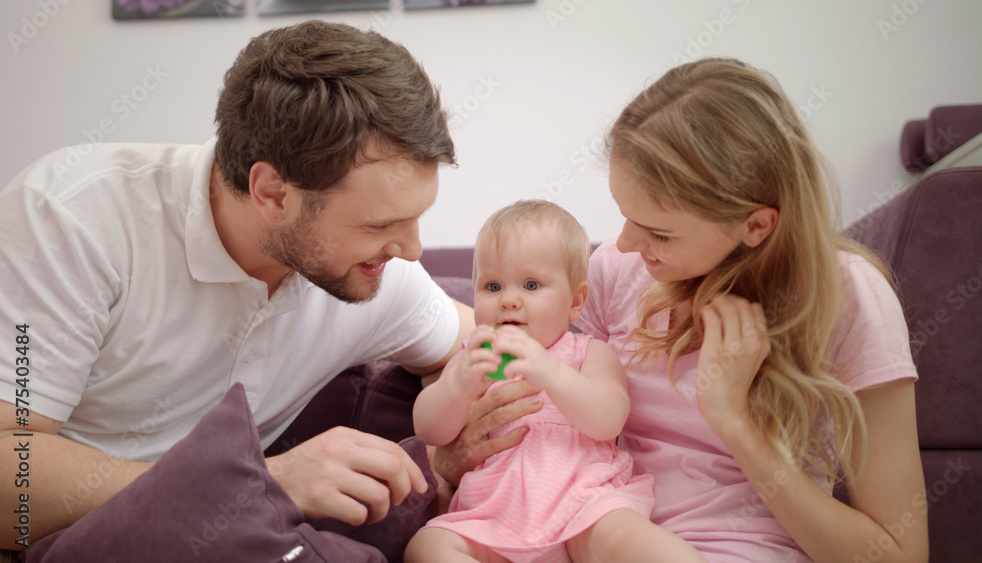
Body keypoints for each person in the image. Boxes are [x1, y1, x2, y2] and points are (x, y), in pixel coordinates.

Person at [0, 20, 477, 554]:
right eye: (378, 225)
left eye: (415, 219)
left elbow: (491, 347)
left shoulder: (373, 275)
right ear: (272, 193)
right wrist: (256, 484)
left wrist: (474, 411)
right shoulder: (69, 221)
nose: (411, 250)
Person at [434, 58, 928, 562]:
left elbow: (898, 556)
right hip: (584, 537)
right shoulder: (614, 271)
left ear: (756, 225)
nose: (625, 243)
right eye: (625, 216)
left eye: (659, 233)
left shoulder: (847, 297)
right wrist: (452, 454)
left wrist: (734, 420)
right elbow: (519, 356)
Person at [405, 200, 707, 563]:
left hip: (585, 505)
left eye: (531, 285)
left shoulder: (586, 353)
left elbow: (608, 418)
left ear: (576, 301)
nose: (510, 300)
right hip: (493, 514)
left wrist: (551, 372)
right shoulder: (475, 357)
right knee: (427, 547)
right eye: (493, 285)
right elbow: (430, 430)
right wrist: (458, 386)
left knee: (631, 539)